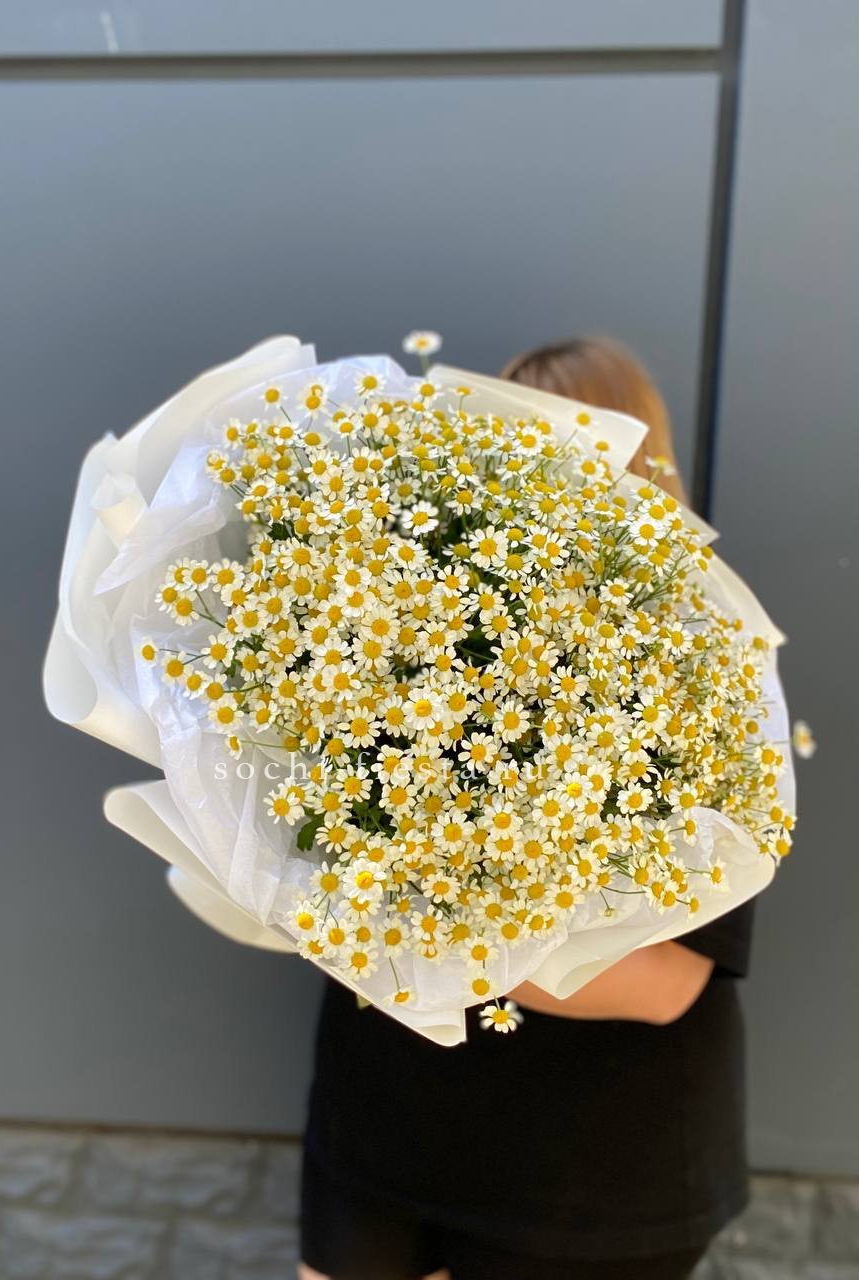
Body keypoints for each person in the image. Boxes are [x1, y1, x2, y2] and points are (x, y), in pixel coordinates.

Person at [297, 336, 755, 1280]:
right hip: (385, 1130)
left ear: (633, 464)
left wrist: (411, 939)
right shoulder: (413, 620)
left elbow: (665, 982)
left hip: (587, 1180)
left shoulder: (703, 664)